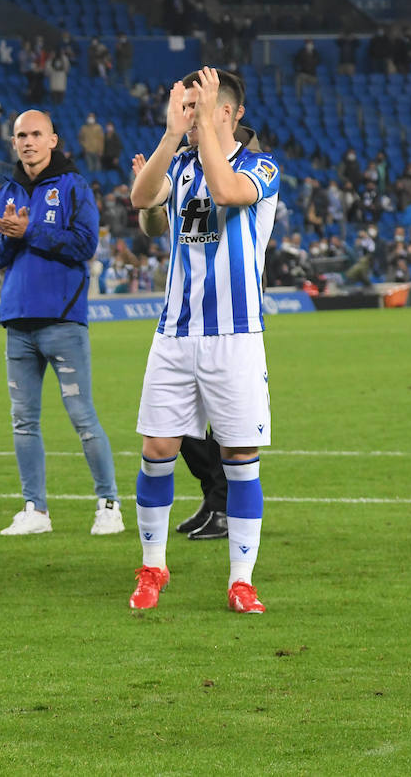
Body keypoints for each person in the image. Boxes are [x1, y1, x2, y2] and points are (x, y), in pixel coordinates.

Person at [127, 67, 278, 613]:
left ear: (230, 113)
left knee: (239, 455)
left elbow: (227, 190)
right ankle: (152, 567)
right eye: (184, 106)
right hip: (174, 333)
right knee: (157, 449)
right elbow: (142, 199)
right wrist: (171, 136)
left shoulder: (261, 166)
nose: (190, 115)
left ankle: (241, 580)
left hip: (236, 336)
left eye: (200, 105)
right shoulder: (183, 161)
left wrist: (204, 137)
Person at [0, 109, 121, 537]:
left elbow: (85, 244)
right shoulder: (6, 190)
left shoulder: (74, 187)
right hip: (18, 323)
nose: (27, 142)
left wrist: (29, 234)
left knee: (82, 416)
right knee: (23, 421)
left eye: (36, 134)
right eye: (20, 135)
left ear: (53, 140)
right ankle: (35, 510)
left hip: (63, 321)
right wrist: (9, 238)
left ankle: (109, 504)